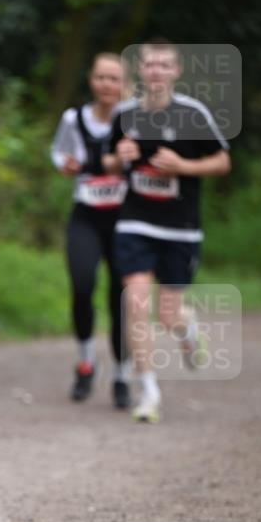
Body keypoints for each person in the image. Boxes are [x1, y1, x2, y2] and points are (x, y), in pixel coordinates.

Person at [104, 39, 231, 422]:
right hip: (135, 223)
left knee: (168, 315)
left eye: (164, 65)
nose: (156, 71)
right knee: (136, 303)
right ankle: (149, 392)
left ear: (175, 72)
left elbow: (223, 161)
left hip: (181, 229)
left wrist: (182, 166)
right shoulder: (125, 113)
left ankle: (188, 330)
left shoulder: (193, 114)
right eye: (150, 65)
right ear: (141, 71)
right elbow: (109, 162)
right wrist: (117, 158)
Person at [51, 53, 132, 407]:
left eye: (114, 79)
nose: (107, 85)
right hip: (86, 213)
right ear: (91, 80)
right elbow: (59, 153)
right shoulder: (74, 118)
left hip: (125, 218)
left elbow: (137, 160)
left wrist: (101, 163)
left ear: (124, 84)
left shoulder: (134, 120)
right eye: (101, 77)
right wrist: (67, 165)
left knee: (121, 298)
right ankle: (86, 363)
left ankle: (122, 376)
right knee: (82, 285)